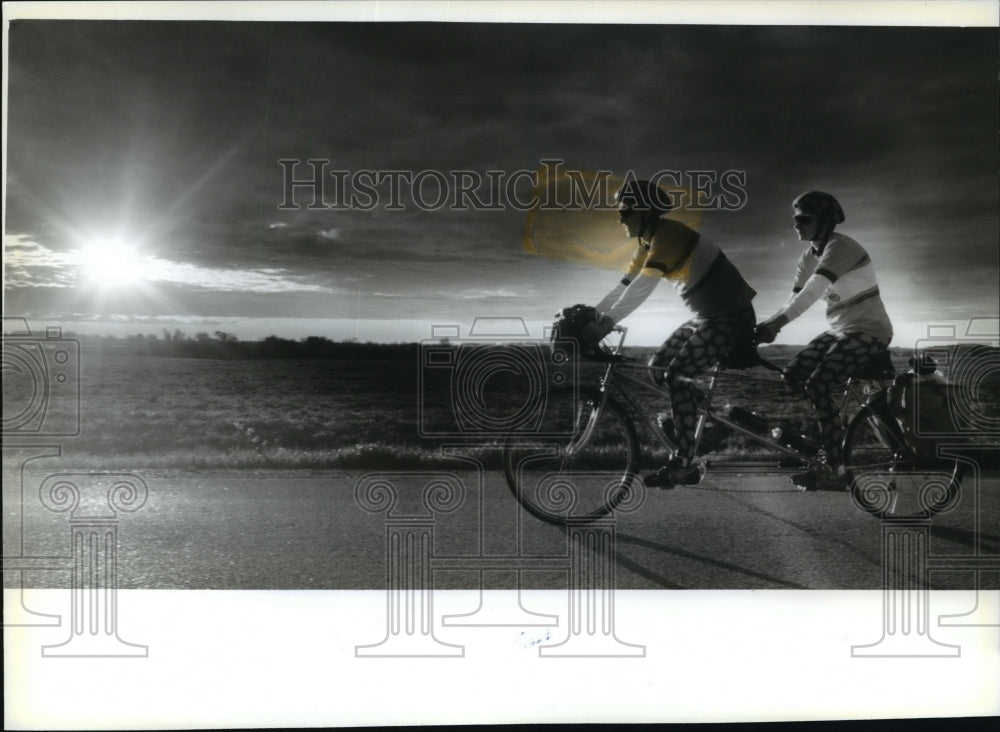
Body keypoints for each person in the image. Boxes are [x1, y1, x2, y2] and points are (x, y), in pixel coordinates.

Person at [581, 178, 757, 488]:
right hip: (705, 318)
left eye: (626, 211)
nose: (620, 218)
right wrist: (591, 316)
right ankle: (722, 419)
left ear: (647, 211)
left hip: (730, 317)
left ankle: (684, 464)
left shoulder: (669, 235)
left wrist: (605, 325)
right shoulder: (649, 242)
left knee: (677, 376)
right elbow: (625, 285)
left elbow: (643, 286)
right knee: (657, 369)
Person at [755, 191, 894, 490]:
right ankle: (831, 435)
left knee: (818, 384)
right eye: (795, 219)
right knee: (792, 375)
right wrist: (763, 325)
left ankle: (836, 467)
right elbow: (791, 300)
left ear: (826, 221)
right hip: (840, 330)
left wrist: (777, 325)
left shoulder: (841, 247)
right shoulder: (807, 258)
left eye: (804, 219)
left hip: (870, 330)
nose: (796, 225)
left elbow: (813, 290)